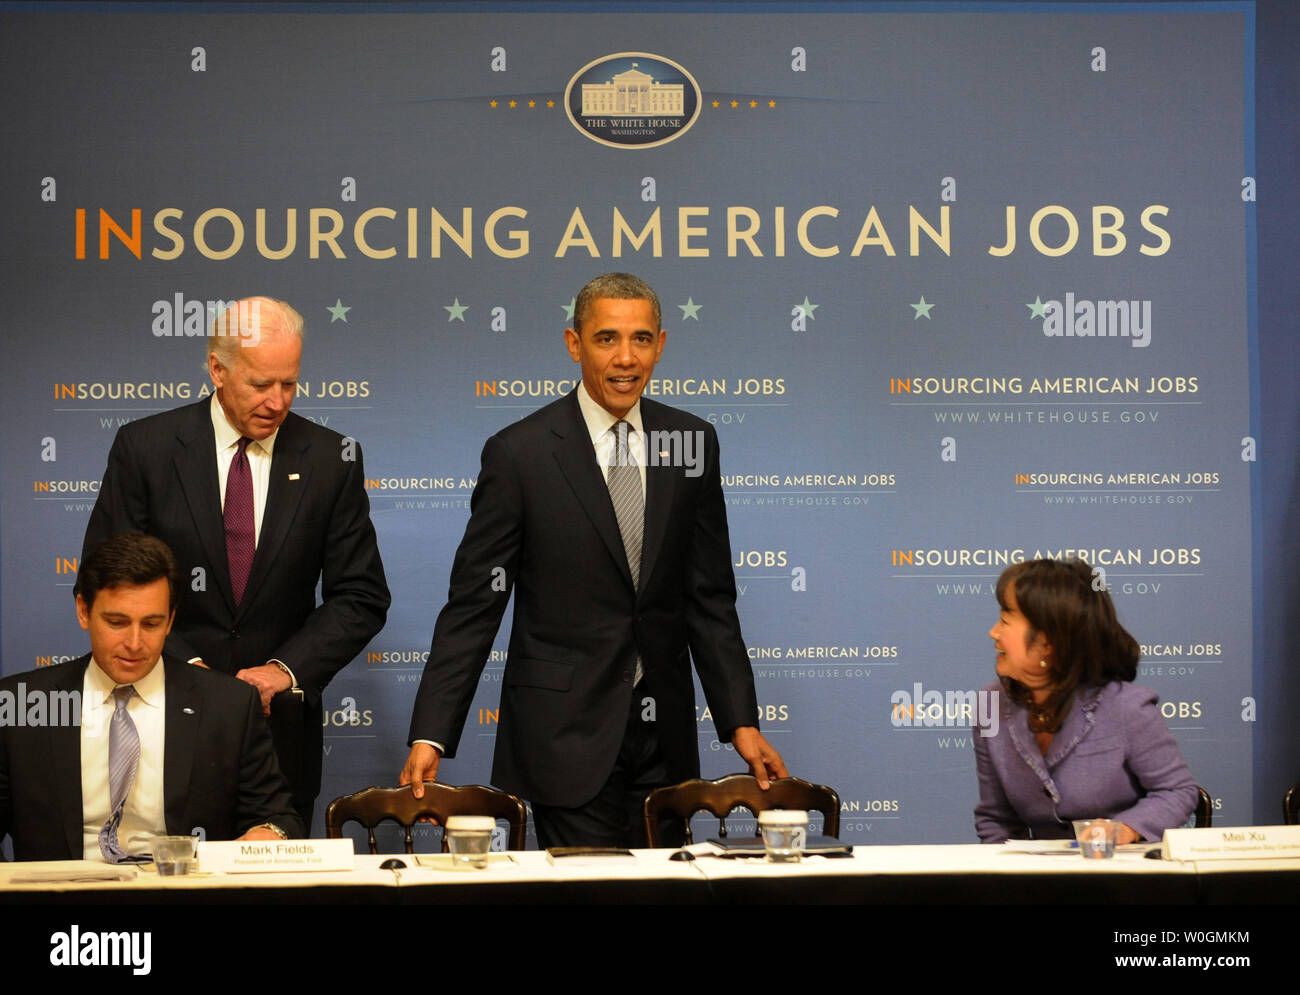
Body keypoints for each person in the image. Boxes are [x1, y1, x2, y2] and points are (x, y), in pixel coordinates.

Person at [400, 273, 787, 847]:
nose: (625, 358)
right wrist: (432, 733)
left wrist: (739, 721)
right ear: (573, 344)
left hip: (665, 740)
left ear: (661, 343)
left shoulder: (692, 441)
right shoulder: (520, 453)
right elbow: (473, 606)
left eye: (640, 340)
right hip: (564, 737)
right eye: (606, 339)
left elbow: (709, 596)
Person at [82, 297, 390, 831]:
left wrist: (282, 672)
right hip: (159, 711)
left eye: (289, 384)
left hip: (278, 735)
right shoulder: (147, 448)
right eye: (260, 384)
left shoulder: (332, 458)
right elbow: (109, 577)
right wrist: (184, 667)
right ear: (217, 369)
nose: (277, 402)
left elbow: (360, 594)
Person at [0, 533, 302, 862]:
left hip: (181, 893)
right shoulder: (23, 705)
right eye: (116, 622)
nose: (134, 643)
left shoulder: (227, 705)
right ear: (84, 611)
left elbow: (278, 816)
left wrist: (268, 833)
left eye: (151, 624)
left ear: (171, 620)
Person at [974, 558, 1198, 843]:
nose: (993, 633)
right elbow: (995, 819)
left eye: (1005, 620)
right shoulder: (990, 704)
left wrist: (1123, 830)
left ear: (1049, 640)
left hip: (1120, 874)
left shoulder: (1126, 707)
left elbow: (1178, 791)